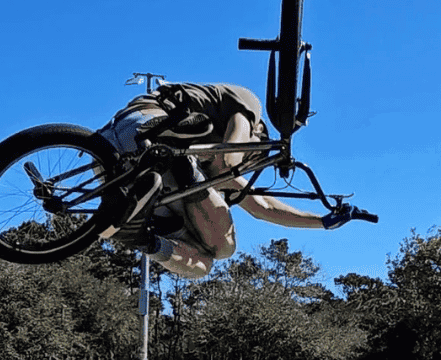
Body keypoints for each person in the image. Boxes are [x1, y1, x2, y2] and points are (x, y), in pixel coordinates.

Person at [97, 81, 367, 280]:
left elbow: (264, 208)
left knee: (204, 265)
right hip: (149, 124)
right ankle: (184, 173)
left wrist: (321, 222)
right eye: (252, 158)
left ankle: (142, 237)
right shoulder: (249, 106)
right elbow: (227, 164)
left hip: (106, 155)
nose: (247, 169)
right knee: (225, 241)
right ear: (258, 134)